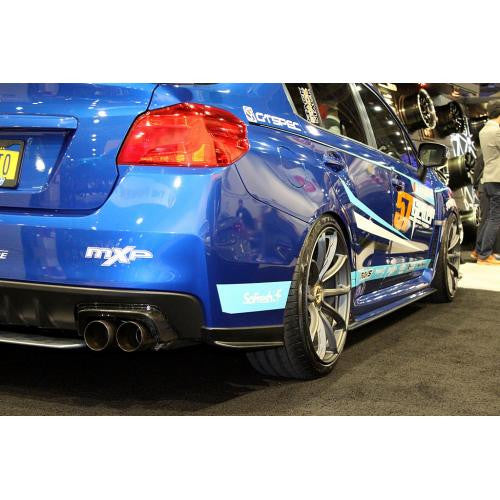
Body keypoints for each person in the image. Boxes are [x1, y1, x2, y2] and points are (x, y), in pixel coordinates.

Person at [476, 101, 500, 265]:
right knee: (495, 217)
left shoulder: (484, 130)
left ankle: (480, 251)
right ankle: (485, 255)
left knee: (490, 217)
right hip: (497, 178)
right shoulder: (496, 130)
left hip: (489, 177)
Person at [471, 146, 500, 259]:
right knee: (488, 219)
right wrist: (476, 186)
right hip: (487, 186)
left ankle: (480, 251)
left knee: (487, 219)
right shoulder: (489, 149)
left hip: (486, 186)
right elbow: (478, 167)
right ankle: (481, 252)